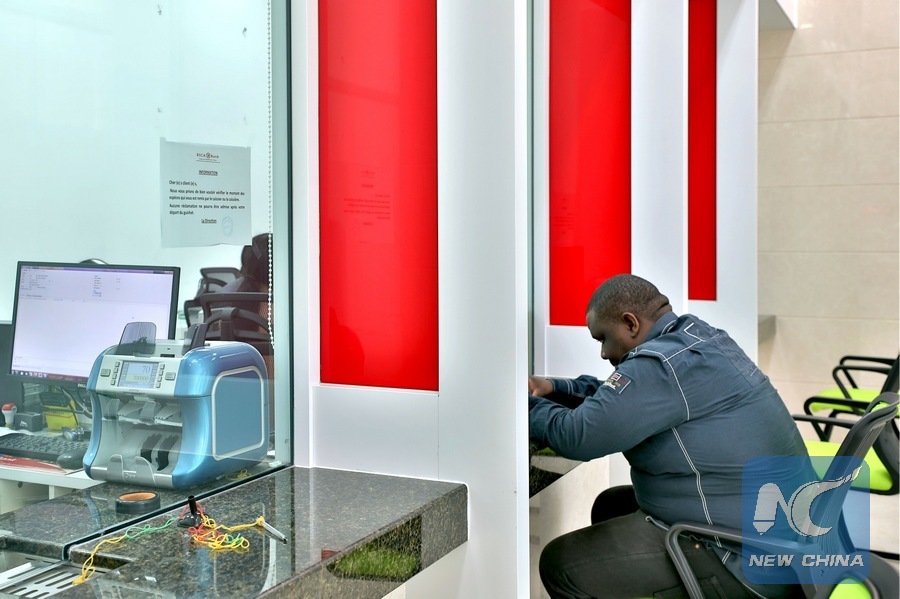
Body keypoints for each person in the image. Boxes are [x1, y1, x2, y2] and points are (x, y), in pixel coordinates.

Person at [529, 274, 810, 599]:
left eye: (603, 338)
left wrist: (522, 406)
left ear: (630, 323)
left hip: (741, 563)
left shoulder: (661, 365)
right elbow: (623, 400)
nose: (604, 353)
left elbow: (578, 436)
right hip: (783, 547)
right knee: (612, 504)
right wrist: (555, 388)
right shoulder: (697, 340)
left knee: (561, 564)